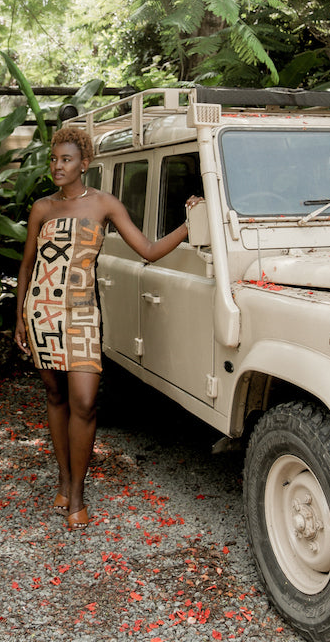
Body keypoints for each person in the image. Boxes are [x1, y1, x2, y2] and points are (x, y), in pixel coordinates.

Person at [15, 126, 201, 530]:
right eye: (54, 159)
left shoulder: (104, 205)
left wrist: (189, 225)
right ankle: (64, 479)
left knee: (83, 401)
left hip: (81, 313)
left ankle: (77, 493)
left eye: (66, 159)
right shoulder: (42, 209)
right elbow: (27, 266)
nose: (57, 166)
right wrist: (19, 318)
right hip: (42, 311)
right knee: (54, 396)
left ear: (85, 164)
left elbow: (149, 251)